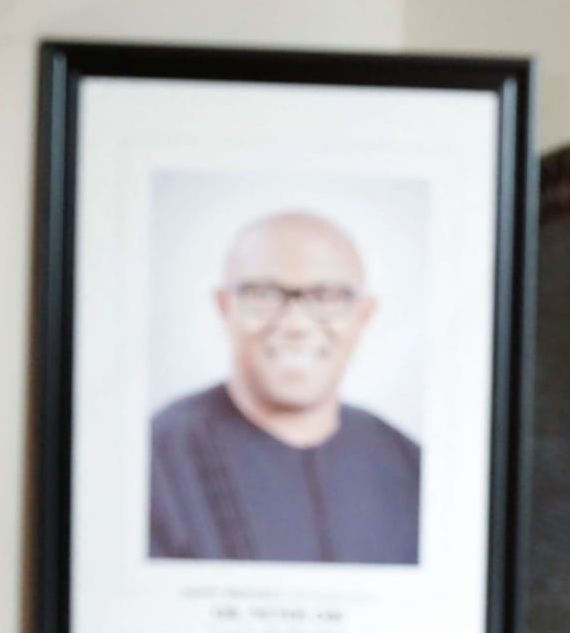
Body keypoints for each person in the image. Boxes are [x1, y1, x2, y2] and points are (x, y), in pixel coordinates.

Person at [150, 210, 421, 564]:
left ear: (363, 314)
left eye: (326, 296)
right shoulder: (156, 458)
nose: (295, 324)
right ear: (224, 306)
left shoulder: (407, 463)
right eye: (263, 294)